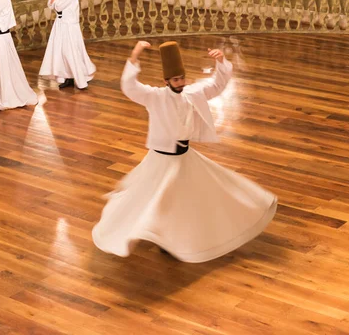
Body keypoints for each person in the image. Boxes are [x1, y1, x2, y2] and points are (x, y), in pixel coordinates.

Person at [92, 41, 277, 263]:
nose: (181, 83)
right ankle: (151, 234)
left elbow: (217, 85)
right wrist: (136, 53)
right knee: (155, 199)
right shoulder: (155, 96)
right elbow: (129, 86)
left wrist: (220, 61)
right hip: (161, 160)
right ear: (166, 81)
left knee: (188, 199)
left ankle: (173, 237)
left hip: (184, 158)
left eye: (182, 78)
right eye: (176, 80)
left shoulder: (193, 93)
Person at [39, 0, 96, 89]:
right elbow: (50, 5)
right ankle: (68, 76)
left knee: (71, 51)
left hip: (69, 25)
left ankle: (81, 78)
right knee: (61, 52)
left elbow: (57, 7)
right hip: (60, 24)